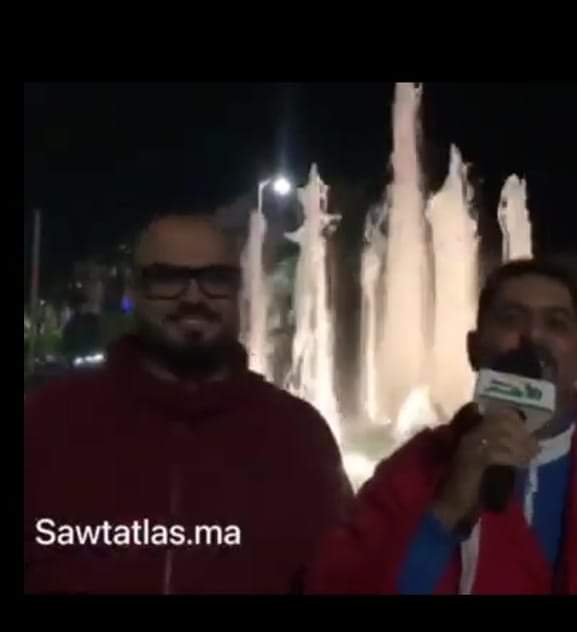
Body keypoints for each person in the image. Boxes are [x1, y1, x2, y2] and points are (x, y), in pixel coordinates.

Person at [306, 259, 577, 594]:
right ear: (473, 349)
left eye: (556, 323)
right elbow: (337, 581)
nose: (533, 337)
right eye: (510, 319)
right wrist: (444, 513)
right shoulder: (412, 472)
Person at [24, 213, 352, 594]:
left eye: (215, 279)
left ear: (238, 291)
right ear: (135, 291)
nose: (193, 297)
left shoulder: (299, 436)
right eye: (168, 279)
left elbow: (342, 577)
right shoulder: (48, 424)